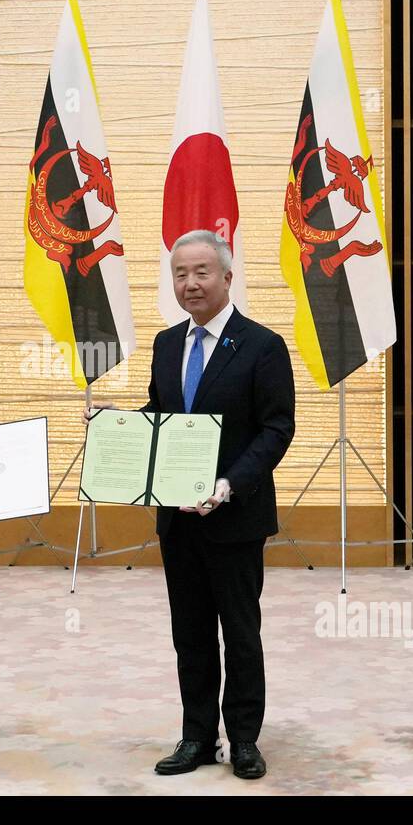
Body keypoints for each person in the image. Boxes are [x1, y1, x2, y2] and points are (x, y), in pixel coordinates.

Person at [86, 229, 294, 780]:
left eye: (202, 272)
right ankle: (197, 735)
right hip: (178, 519)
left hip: (234, 515)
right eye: (180, 273)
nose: (190, 283)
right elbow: (163, 414)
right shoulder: (166, 343)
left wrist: (227, 485)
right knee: (191, 632)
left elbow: (277, 429)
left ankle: (244, 739)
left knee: (240, 632)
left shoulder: (262, 345)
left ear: (227, 277)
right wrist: (120, 426)